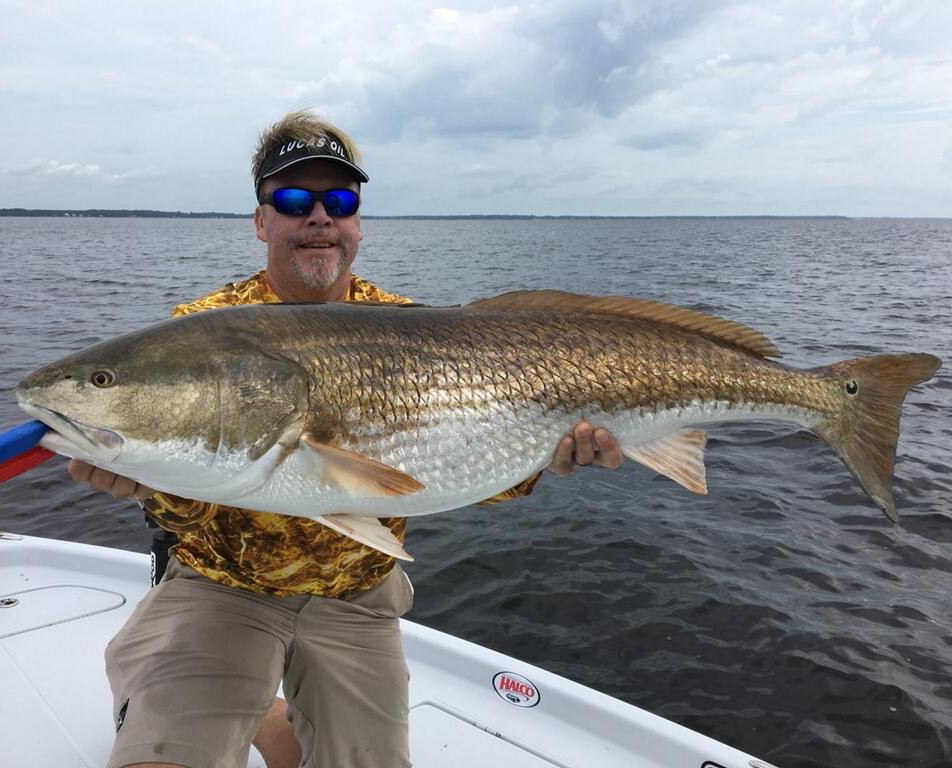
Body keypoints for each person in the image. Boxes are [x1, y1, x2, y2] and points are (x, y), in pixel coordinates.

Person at [69, 110, 622, 768]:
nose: (318, 217)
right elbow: (185, 496)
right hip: (223, 585)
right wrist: (149, 485)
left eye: (338, 200)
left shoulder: (407, 328)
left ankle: (277, 727)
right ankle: (249, 713)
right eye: (294, 199)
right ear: (261, 221)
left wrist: (542, 457)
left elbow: (455, 467)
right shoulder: (203, 331)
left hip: (358, 592)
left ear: (357, 221)